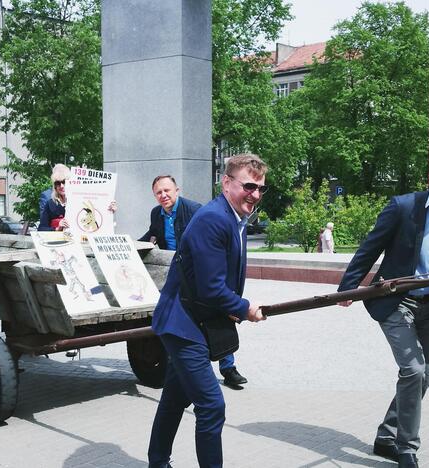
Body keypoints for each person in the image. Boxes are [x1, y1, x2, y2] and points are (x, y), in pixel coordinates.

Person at [337, 154, 429, 468]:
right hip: (395, 299)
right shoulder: (404, 207)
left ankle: (386, 437)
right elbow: (370, 247)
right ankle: (406, 449)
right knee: (413, 370)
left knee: (424, 377)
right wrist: (348, 287)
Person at [148, 154, 268, 468]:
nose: (254, 194)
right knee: (212, 406)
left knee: (175, 398)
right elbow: (211, 288)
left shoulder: (235, 218)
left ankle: (157, 462)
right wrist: (244, 308)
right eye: (249, 186)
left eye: (260, 189)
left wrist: (234, 306)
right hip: (182, 323)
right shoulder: (214, 218)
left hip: (195, 319)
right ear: (227, 183)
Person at [139, 175, 249, 389]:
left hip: (199, 273)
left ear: (177, 190)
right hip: (174, 275)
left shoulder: (195, 210)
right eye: (158, 193)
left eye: (167, 191)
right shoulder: (156, 214)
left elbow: (209, 244)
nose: (163, 195)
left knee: (219, 318)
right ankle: (185, 366)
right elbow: (151, 235)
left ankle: (228, 367)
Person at [38, 164, 116, 232]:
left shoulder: (81, 200)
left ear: (71, 182)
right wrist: (57, 228)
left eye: (64, 182)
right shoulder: (50, 203)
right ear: (54, 186)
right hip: (59, 244)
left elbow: (97, 214)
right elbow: (41, 228)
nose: (62, 186)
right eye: (58, 183)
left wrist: (109, 209)